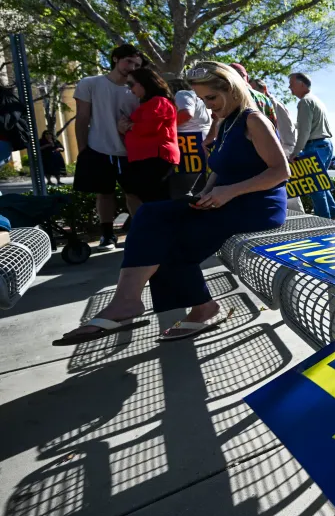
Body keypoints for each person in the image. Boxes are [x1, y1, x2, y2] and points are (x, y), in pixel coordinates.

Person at [54, 62, 289, 345]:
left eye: (212, 98)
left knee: (168, 236)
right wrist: (205, 193)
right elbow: (219, 170)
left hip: (257, 206)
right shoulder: (226, 123)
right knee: (150, 215)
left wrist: (228, 192)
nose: (208, 105)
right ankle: (131, 300)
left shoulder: (254, 120)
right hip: (224, 200)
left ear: (233, 90)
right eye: (202, 99)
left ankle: (192, 306)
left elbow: (280, 171)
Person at [73, 44, 143, 250]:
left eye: (136, 65)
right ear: (115, 59)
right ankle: (107, 235)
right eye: (128, 61)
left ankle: (140, 233)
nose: (131, 67)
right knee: (104, 194)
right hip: (98, 148)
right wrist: (83, 150)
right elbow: (82, 118)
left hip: (131, 150)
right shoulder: (90, 83)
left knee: (134, 194)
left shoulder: (138, 89)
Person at [118, 68, 180, 204]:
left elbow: (149, 127)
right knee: (148, 198)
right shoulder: (149, 103)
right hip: (145, 158)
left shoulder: (159, 101)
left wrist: (129, 126)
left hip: (155, 157)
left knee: (156, 200)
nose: (130, 89)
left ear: (144, 83)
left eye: (131, 84)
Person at [289, 72, 335, 220]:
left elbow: (304, 131)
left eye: (291, 84)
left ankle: (324, 220)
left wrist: (295, 152)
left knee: (314, 186)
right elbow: (308, 124)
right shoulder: (316, 100)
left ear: (301, 84)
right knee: (320, 183)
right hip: (326, 145)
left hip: (314, 146)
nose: (289, 88)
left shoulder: (304, 102)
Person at [250, 78, 303, 213]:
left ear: (264, 89)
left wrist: (286, 152)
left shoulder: (274, 105)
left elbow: (286, 130)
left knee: (291, 193)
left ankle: (297, 216)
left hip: (284, 150)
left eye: (254, 89)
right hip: (276, 151)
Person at [169, 77, 213, 197]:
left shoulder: (182, 94)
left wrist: (162, 126)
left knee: (183, 192)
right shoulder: (200, 98)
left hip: (189, 146)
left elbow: (186, 114)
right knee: (200, 189)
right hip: (201, 145)